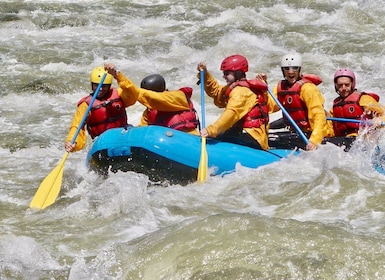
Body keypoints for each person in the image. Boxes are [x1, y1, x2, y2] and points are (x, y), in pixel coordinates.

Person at [197, 54, 276, 150]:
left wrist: (211, 130)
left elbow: (231, 113)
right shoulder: (236, 88)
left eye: (227, 73)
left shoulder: (241, 92)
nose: (224, 76)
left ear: (237, 73)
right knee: (219, 136)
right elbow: (217, 92)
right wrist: (205, 75)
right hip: (243, 132)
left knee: (217, 137)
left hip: (252, 136)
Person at [64, 64, 138, 152]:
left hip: (123, 134)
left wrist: (117, 75)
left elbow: (133, 95)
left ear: (109, 86)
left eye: (104, 86)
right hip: (102, 142)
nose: (100, 89)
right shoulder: (86, 105)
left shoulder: (119, 94)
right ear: (92, 85)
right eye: (96, 85)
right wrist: (72, 143)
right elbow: (77, 126)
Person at [270, 53, 333, 151]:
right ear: (283, 71)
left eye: (294, 68)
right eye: (287, 68)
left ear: (299, 69)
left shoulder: (308, 88)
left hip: (312, 133)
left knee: (272, 140)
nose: (291, 72)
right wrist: (262, 88)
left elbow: (319, 116)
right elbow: (270, 106)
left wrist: (314, 140)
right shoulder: (281, 88)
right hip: (297, 131)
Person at [329, 67, 383, 137]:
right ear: (336, 86)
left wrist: (378, 119)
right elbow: (330, 128)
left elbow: (383, 113)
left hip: (361, 139)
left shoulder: (363, 99)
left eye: (347, 84)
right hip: (343, 139)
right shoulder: (336, 105)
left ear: (352, 84)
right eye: (340, 85)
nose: (344, 88)